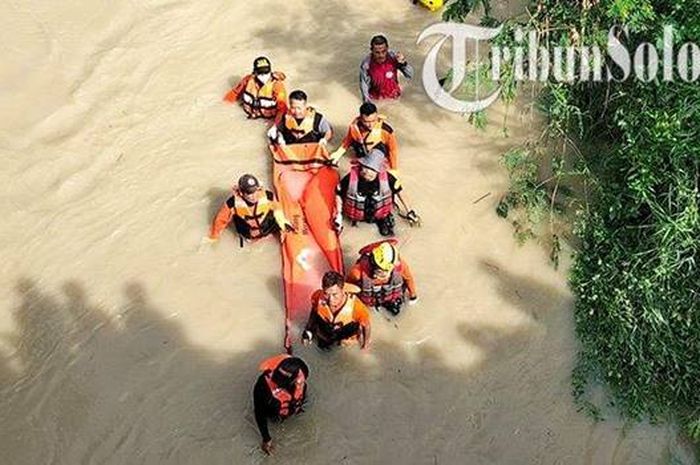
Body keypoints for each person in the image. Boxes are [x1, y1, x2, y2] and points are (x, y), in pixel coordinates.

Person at [334, 149, 420, 237]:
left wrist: (409, 211)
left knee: (388, 234)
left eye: (372, 169)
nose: (367, 171)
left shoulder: (389, 179)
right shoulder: (349, 179)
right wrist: (339, 215)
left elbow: (400, 193)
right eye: (365, 166)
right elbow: (338, 194)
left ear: (378, 170)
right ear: (361, 165)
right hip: (357, 217)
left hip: (381, 216)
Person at [209, 174, 293, 244]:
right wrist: (214, 237)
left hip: (269, 231)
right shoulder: (232, 204)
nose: (254, 196)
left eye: (255, 191)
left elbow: (277, 208)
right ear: (241, 193)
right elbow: (220, 221)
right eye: (249, 193)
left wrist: (282, 221)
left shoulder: (268, 196)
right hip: (249, 238)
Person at [253, 354, 309, 455]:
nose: (277, 381)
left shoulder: (301, 370)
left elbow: (303, 389)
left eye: (281, 381)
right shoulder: (262, 386)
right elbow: (259, 414)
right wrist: (266, 438)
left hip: (294, 405)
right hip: (274, 412)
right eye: (276, 377)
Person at [347, 239, 418, 315]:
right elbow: (348, 288)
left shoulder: (401, 266)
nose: (383, 273)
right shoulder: (357, 272)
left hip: (391, 298)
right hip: (368, 302)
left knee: (396, 312)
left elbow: (408, 279)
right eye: (380, 268)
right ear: (372, 262)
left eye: (386, 270)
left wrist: (413, 296)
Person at [302, 271, 371, 350]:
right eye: (326, 294)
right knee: (322, 347)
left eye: (335, 294)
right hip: (327, 331)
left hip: (346, 334)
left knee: (345, 347)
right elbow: (314, 312)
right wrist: (308, 330)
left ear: (342, 290)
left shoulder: (357, 307)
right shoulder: (317, 297)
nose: (330, 299)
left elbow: (366, 325)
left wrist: (366, 345)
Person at [329, 102, 400, 170]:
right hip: (361, 152)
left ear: (376, 116)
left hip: (377, 154)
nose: (370, 125)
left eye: (373, 121)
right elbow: (348, 141)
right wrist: (338, 153)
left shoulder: (386, 130)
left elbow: (393, 150)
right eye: (366, 122)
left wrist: (394, 169)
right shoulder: (355, 127)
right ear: (360, 118)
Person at [223, 56, 287, 121]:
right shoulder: (248, 80)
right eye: (260, 73)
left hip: (268, 120)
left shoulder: (277, 86)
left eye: (266, 72)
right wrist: (223, 107)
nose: (263, 75)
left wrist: (275, 126)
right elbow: (234, 93)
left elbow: (282, 109)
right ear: (255, 72)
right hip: (246, 115)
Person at [267, 90, 333, 147]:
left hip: (311, 150)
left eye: (299, 108)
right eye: (293, 108)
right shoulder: (285, 117)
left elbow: (328, 132)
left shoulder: (317, 119)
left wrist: (324, 139)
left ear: (305, 106)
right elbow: (278, 130)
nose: (296, 112)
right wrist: (279, 137)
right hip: (291, 150)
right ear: (289, 106)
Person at [360, 35, 414, 102]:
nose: (381, 55)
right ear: (371, 50)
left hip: (396, 97)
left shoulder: (393, 57)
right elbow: (364, 85)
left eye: (384, 51)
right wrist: (367, 102)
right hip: (378, 100)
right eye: (377, 52)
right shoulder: (366, 64)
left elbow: (410, 75)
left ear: (387, 48)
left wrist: (403, 64)